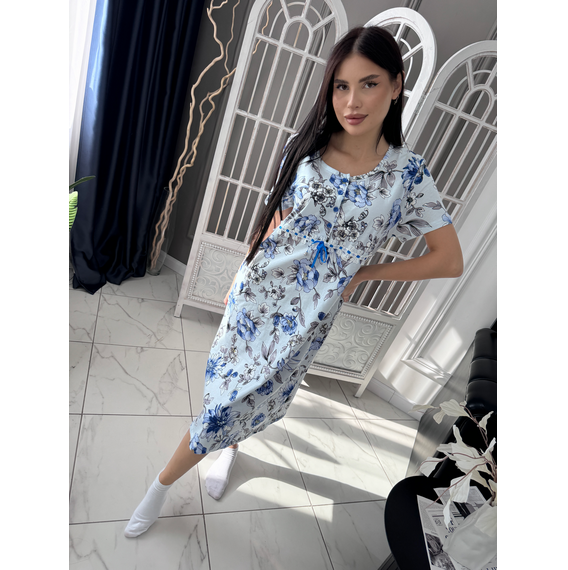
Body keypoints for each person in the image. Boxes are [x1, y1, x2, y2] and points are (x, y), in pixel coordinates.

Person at [124, 25, 463, 539]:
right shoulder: (306, 149)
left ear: (396, 85)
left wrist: (364, 273)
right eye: (341, 86)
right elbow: (276, 219)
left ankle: (200, 463)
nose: (352, 101)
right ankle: (168, 481)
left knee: (252, 397)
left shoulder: (407, 176)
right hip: (258, 294)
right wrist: (242, 270)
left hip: (307, 317)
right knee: (225, 396)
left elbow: (449, 259)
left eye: (369, 84)